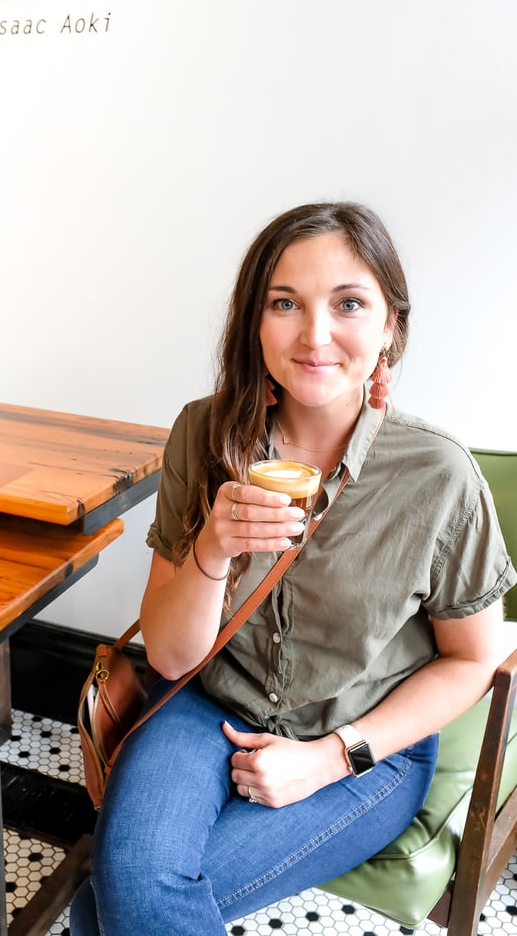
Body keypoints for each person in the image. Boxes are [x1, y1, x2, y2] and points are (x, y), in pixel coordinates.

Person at [70, 201, 515, 935]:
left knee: (108, 908)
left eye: (349, 303)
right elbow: (175, 656)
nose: (314, 335)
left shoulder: (438, 475)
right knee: (131, 891)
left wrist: (332, 758)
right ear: (255, 319)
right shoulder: (203, 433)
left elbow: (472, 662)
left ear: (390, 325)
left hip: (370, 749)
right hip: (206, 704)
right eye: (285, 303)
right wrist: (213, 551)